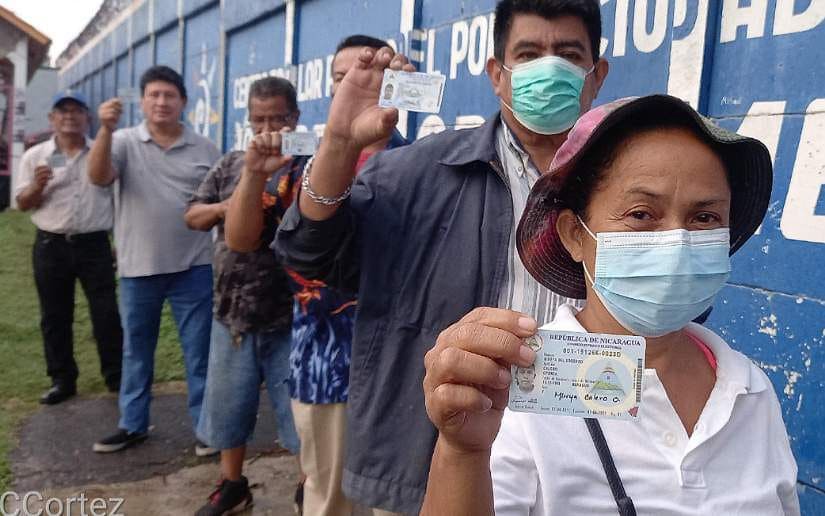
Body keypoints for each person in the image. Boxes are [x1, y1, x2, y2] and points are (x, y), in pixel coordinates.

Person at [273, 1, 608, 512]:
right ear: (497, 74)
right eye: (528, 53)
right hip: (432, 456)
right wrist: (339, 142)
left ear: (596, 75)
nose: (549, 68)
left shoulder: (629, 187)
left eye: (568, 54)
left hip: (587, 457)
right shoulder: (415, 174)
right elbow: (308, 253)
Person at [420, 95, 800, 515]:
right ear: (574, 235)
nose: (676, 241)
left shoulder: (750, 390)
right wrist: (462, 453)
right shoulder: (513, 389)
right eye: (641, 214)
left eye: (705, 218)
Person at [229, 34, 407, 516]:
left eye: (369, 74)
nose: (356, 84)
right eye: (342, 77)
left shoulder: (421, 165)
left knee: (397, 500)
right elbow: (243, 240)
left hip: (400, 366)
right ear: (331, 88)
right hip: (324, 359)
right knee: (327, 496)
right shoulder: (298, 167)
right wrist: (253, 174)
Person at [87, 65, 221, 455]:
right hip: (138, 268)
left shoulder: (205, 148)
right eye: (154, 95)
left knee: (199, 353)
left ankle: (206, 428)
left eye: (169, 95)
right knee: (136, 351)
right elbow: (98, 177)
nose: (162, 102)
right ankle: (132, 424)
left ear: (183, 102)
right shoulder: (122, 141)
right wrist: (105, 129)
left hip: (194, 266)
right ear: (143, 102)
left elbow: (219, 202)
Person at [185, 77, 302, 516]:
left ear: (295, 117)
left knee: (299, 415)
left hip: (292, 315)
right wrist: (231, 206)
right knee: (228, 407)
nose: (268, 129)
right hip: (232, 311)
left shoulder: (308, 165)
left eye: (277, 119)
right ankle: (232, 484)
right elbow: (193, 214)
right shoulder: (233, 164)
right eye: (259, 120)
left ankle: (308, 485)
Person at [14, 90, 122, 405]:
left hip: (94, 244)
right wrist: (37, 185)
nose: (70, 117)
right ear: (52, 118)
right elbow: (22, 204)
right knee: (55, 315)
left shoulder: (102, 151)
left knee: (106, 312)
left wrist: (118, 241)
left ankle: (116, 376)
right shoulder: (36, 157)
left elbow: (119, 200)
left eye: (77, 111)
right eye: (63, 111)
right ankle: (62, 380)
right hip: (52, 244)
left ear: (87, 118)